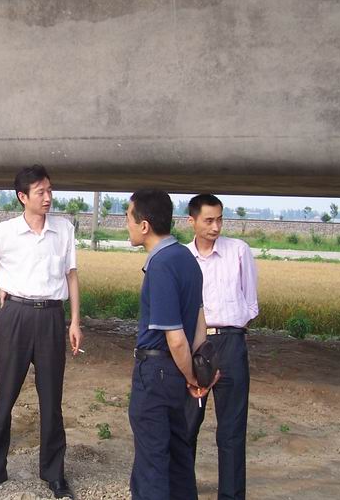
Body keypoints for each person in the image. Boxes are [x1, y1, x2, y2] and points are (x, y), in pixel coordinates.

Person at [0, 164, 82, 499]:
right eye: (40, 192)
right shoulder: (5, 232)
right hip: (15, 316)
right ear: (22, 197)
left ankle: (54, 474)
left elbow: (71, 275)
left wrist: (75, 321)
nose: (48, 197)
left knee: (51, 398)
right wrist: (1, 281)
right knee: (5, 395)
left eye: (49, 190)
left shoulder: (64, 229)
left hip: (51, 317)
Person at [125, 189, 210, 500]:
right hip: (174, 378)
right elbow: (199, 325)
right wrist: (196, 373)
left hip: (156, 374)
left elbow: (175, 339)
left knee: (152, 466)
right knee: (179, 460)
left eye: (128, 217)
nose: (126, 224)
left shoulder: (161, 264)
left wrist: (191, 378)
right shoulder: (187, 258)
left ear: (144, 225)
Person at [185, 194, 258, 500]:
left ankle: (231, 495)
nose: (215, 227)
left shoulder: (239, 251)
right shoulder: (183, 257)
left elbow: (251, 303)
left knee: (232, 431)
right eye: (208, 220)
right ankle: (183, 491)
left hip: (231, 344)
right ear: (192, 221)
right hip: (195, 346)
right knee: (187, 425)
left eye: (219, 220)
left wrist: (234, 330)